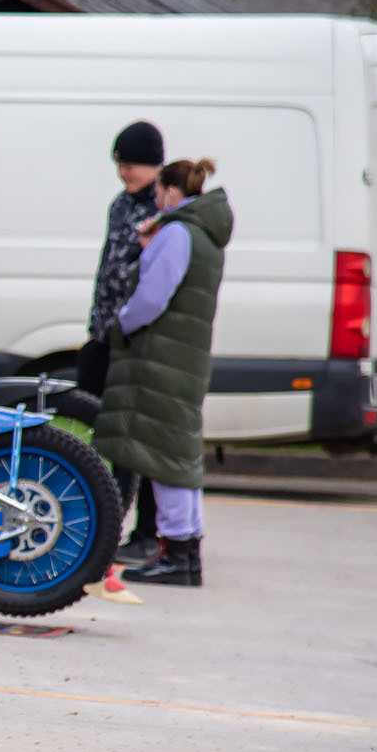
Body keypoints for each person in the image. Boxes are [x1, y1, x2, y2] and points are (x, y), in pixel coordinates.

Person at [94, 158, 232, 587]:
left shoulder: (178, 233)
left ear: (172, 192)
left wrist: (122, 322)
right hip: (185, 355)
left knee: (165, 454)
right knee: (180, 452)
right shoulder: (205, 236)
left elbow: (151, 298)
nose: (155, 202)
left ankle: (174, 555)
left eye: (158, 195)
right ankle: (187, 554)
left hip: (162, 356)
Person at [89, 121, 164, 556]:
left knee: (140, 443)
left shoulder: (162, 208)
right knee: (110, 436)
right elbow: (107, 273)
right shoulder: (121, 205)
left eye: (131, 163)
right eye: (120, 163)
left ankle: (148, 533)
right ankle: (107, 527)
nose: (124, 172)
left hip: (139, 341)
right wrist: (96, 332)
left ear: (154, 164)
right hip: (108, 337)